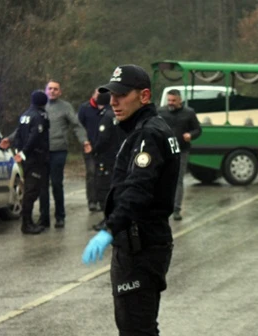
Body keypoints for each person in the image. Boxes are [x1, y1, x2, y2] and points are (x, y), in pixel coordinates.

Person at [81, 64, 180, 336]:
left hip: (141, 245)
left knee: (136, 327)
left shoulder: (148, 133)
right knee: (136, 326)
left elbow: (138, 189)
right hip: (140, 243)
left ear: (144, 96)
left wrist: (109, 229)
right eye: (111, 94)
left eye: (122, 94)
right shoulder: (143, 129)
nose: (113, 101)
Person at [1, 80, 91, 229]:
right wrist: (9, 139)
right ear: (46, 91)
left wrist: (84, 141)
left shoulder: (65, 107)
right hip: (41, 153)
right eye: (50, 88)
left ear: (60, 92)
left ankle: (60, 216)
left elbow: (76, 125)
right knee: (42, 186)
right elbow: (26, 129)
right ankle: (44, 218)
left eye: (56, 89)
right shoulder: (39, 108)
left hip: (58, 150)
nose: (53, 91)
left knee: (56, 183)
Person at [157, 89, 202, 221]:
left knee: (177, 180)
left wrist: (191, 135)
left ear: (180, 100)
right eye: (169, 100)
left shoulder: (189, 113)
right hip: (164, 151)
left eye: (173, 101)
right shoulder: (161, 112)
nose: (170, 103)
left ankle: (176, 209)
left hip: (181, 151)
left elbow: (198, 129)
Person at [12, 90, 50, 235]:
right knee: (31, 191)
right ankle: (26, 223)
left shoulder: (24, 115)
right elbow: (35, 136)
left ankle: (29, 222)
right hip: (36, 158)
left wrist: (18, 151)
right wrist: (24, 152)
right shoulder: (39, 116)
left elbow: (18, 134)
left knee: (31, 189)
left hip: (28, 158)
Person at [90, 91, 126, 231]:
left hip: (106, 158)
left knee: (104, 190)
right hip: (118, 156)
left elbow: (103, 139)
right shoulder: (117, 115)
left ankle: (108, 220)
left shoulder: (106, 116)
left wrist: (95, 150)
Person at [78, 89, 106, 212]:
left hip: (104, 146)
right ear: (93, 94)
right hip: (89, 146)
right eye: (97, 94)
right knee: (91, 173)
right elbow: (79, 126)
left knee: (104, 174)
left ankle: (102, 200)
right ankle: (92, 201)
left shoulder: (107, 108)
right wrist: (84, 141)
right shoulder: (85, 108)